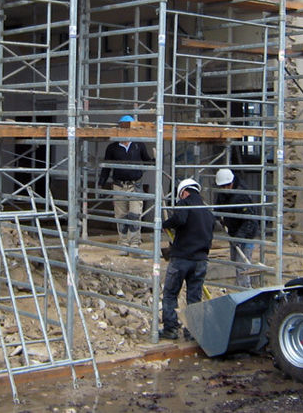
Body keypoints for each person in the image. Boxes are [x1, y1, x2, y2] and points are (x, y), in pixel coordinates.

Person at [159, 178, 214, 340]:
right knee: (194, 299)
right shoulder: (207, 211)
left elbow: (180, 219)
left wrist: (166, 223)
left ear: (184, 192)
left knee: (170, 294)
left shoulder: (185, 204)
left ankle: (171, 329)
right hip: (201, 261)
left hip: (182, 258)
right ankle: (192, 332)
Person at [97, 115, 153, 248]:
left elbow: (147, 160)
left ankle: (134, 242)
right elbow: (107, 167)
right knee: (121, 215)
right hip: (119, 185)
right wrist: (101, 182)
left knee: (134, 214)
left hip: (135, 185)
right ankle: (123, 242)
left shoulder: (139, 146)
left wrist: (154, 161)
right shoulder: (112, 148)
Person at [213, 168, 259, 287]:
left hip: (246, 234)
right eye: (222, 187)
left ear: (232, 182)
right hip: (233, 231)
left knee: (241, 263)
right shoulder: (223, 194)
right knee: (235, 260)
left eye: (227, 186)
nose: (225, 189)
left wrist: (240, 237)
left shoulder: (242, 195)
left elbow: (250, 220)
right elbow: (218, 208)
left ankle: (244, 289)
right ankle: (242, 283)